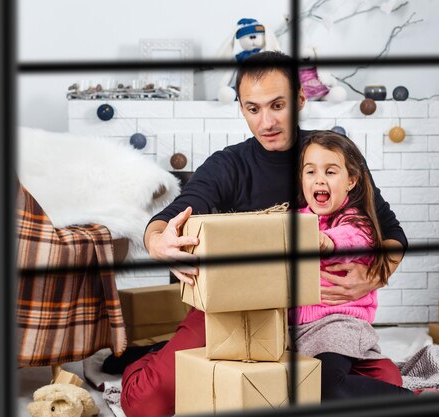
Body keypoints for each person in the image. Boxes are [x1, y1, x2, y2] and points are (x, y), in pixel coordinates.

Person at [120, 51, 408, 417]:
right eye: (253, 109)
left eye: (277, 105)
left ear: (301, 100)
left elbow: (391, 232)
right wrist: (157, 240)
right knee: (148, 402)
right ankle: (145, 359)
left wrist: (374, 274)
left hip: (318, 318)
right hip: (235, 309)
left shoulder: (330, 159)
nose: (267, 121)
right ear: (240, 108)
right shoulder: (229, 165)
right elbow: (172, 215)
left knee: (384, 384)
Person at [293, 130, 414, 400]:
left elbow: (349, 241)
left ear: (351, 181)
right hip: (296, 329)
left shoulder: (356, 222)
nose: (319, 180)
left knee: (325, 386)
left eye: (331, 172)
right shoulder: (296, 218)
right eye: (310, 172)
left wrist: (325, 242)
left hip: (339, 324)